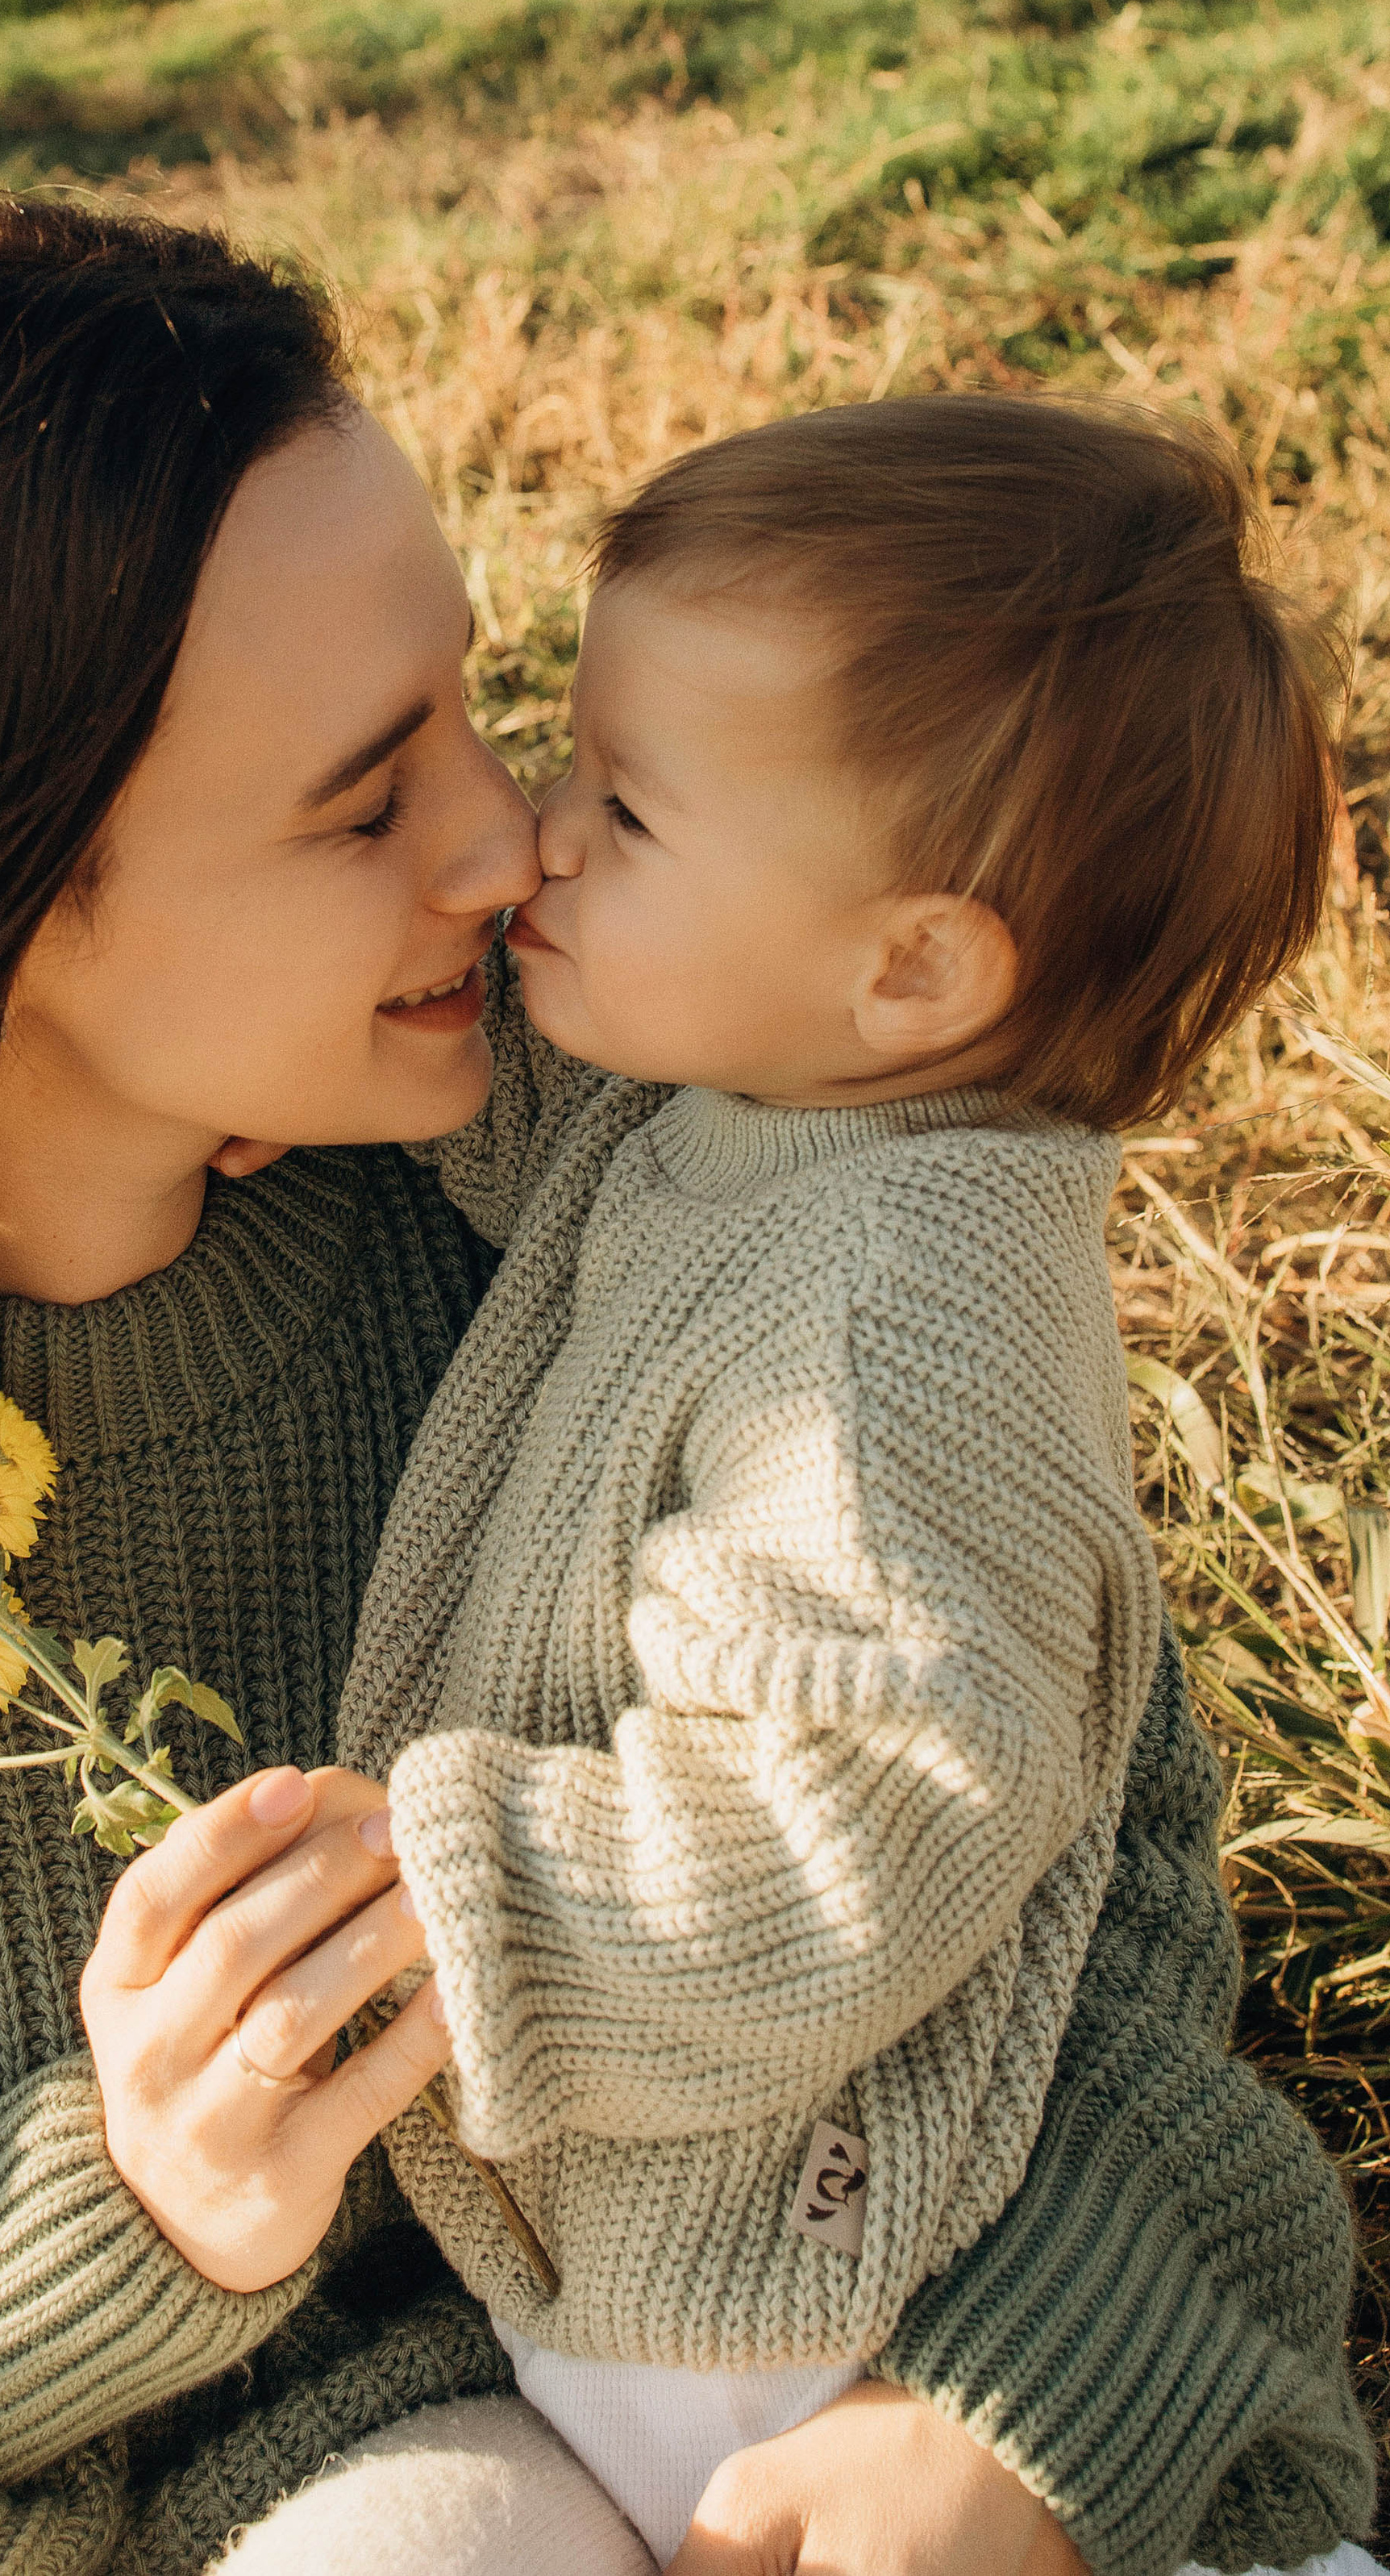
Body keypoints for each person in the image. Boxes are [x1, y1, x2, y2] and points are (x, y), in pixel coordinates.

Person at [0, 188, 1368, 2576]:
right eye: (366, 793)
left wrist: (1022, 2402)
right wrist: (100, 2222)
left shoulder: (633, 1157)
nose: (506, 842)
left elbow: (1072, 1842)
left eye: (486, 720)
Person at [327, 395, 1375, 2572]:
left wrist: (450, 1910)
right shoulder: (754, 1107)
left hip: (858, 2319)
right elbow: (550, 1156)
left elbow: (865, 1796)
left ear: (911, 964)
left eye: (619, 803)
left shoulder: (900, 1308)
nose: (534, 833)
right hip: (696, 2312)